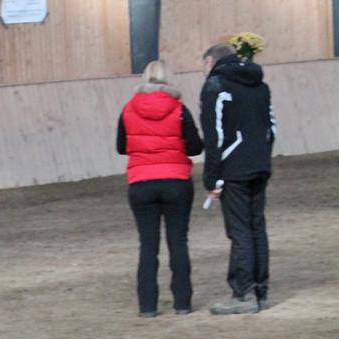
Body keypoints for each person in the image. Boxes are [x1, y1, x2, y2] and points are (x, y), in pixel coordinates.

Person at [116, 60, 204, 317]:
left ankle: (148, 306)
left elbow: (121, 146)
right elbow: (195, 148)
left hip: (141, 182)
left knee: (147, 245)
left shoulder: (128, 109)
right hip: (176, 181)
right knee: (178, 242)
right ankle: (183, 303)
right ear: (168, 79)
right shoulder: (179, 109)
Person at [199, 34, 276, 315]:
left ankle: (244, 293)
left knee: (240, 230)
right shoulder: (261, 85)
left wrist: (212, 179)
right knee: (257, 227)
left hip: (234, 169)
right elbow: (272, 128)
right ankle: (260, 290)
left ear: (210, 61)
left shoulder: (215, 86)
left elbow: (214, 136)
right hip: (260, 164)